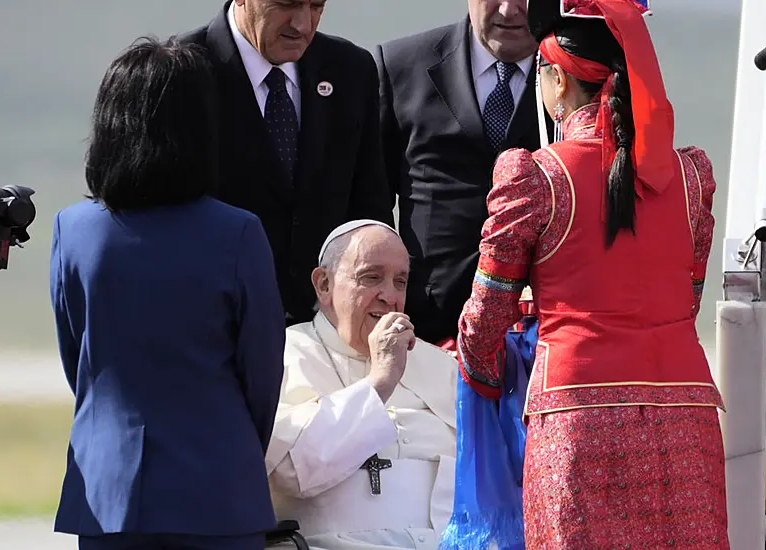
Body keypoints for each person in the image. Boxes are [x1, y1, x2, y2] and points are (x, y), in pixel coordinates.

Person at [456, 0, 729, 548]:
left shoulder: (536, 177)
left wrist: (484, 371)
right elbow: (688, 294)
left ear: (556, 80)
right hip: (687, 421)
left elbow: (486, 320)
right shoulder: (690, 175)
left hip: (578, 420)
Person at [50, 37, 286, 550]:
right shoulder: (239, 232)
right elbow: (263, 373)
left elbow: (79, 361)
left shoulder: (74, 229)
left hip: (107, 491)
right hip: (219, 489)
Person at [180, 0, 393, 326]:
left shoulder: (350, 69)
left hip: (325, 337)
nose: (302, 25)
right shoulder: (181, 70)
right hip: (212, 327)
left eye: (316, 6)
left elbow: (369, 209)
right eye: (286, 5)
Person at [265, 220, 458, 550]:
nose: (390, 296)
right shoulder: (282, 353)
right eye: (372, 277)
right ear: (323, 284)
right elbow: (291, 473)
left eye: (401, 282)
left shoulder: (443, 365)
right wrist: (380, 381)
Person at [374, 0, 549, 345]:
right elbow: (370, 204)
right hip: (425, 327)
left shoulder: (583, 73)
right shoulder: (400, 66)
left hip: (543, 329)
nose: (509, 10)